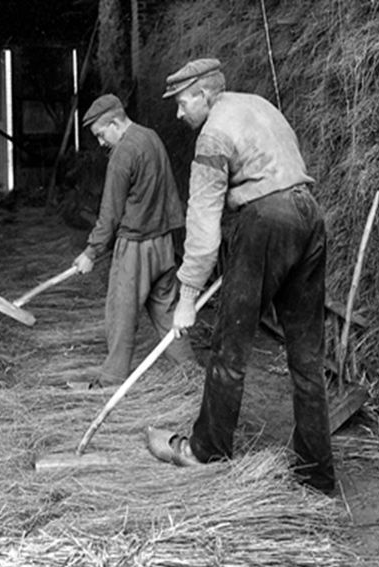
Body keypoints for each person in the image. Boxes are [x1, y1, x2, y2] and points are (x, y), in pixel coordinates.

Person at [145, 58, 335, 494]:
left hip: (266, 221)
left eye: (182, 102)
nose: (179, 113)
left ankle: (205, 450)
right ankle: (317, 473)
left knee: (229, 345)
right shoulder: (258, 106)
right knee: (307, 358)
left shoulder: (212, 134)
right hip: (309, 216)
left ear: (204, 94)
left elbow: (203, 224)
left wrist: (187, 298)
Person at [69, 94, 195, 390]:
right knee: (167, 314)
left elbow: (110, 212)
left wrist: (91, 252)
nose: (101, 142)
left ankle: (111, 382)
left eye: (101, 134)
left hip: (136, 248)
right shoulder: (151, 137)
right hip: (164, 243)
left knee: (121, 315)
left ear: (115, 122)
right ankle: (192, 375)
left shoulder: (122, 154)